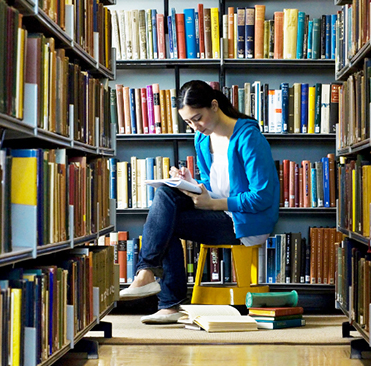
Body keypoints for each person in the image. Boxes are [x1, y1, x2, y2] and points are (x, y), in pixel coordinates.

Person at [119, 80, 280, 324]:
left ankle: (160, 291)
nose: (195, 126)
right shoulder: (202, 140)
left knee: (166, 221)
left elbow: (262, 197)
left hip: (246, 223)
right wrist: (191, 183)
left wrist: (213, 204)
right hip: (219, 213)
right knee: (166, 196)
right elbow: (212, 184)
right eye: (188, 122)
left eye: (198, 118)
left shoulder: (248, 137)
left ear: (214, 106)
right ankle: (151, 278)